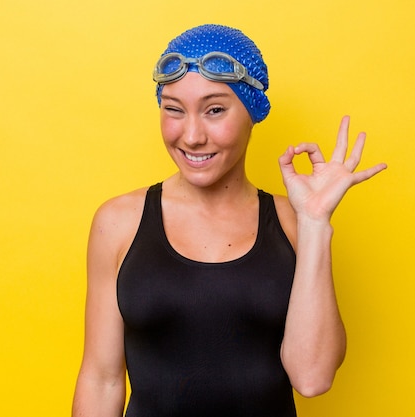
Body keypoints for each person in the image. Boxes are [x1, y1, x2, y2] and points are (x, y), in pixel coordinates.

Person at [72, 24, 387, 417]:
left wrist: (316, 223)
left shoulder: (293, 223)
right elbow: (102, 380)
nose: (191, 135)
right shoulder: (118, 223)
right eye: (173, 109)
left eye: (215, 110)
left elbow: (312, 378)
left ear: (252, 112)